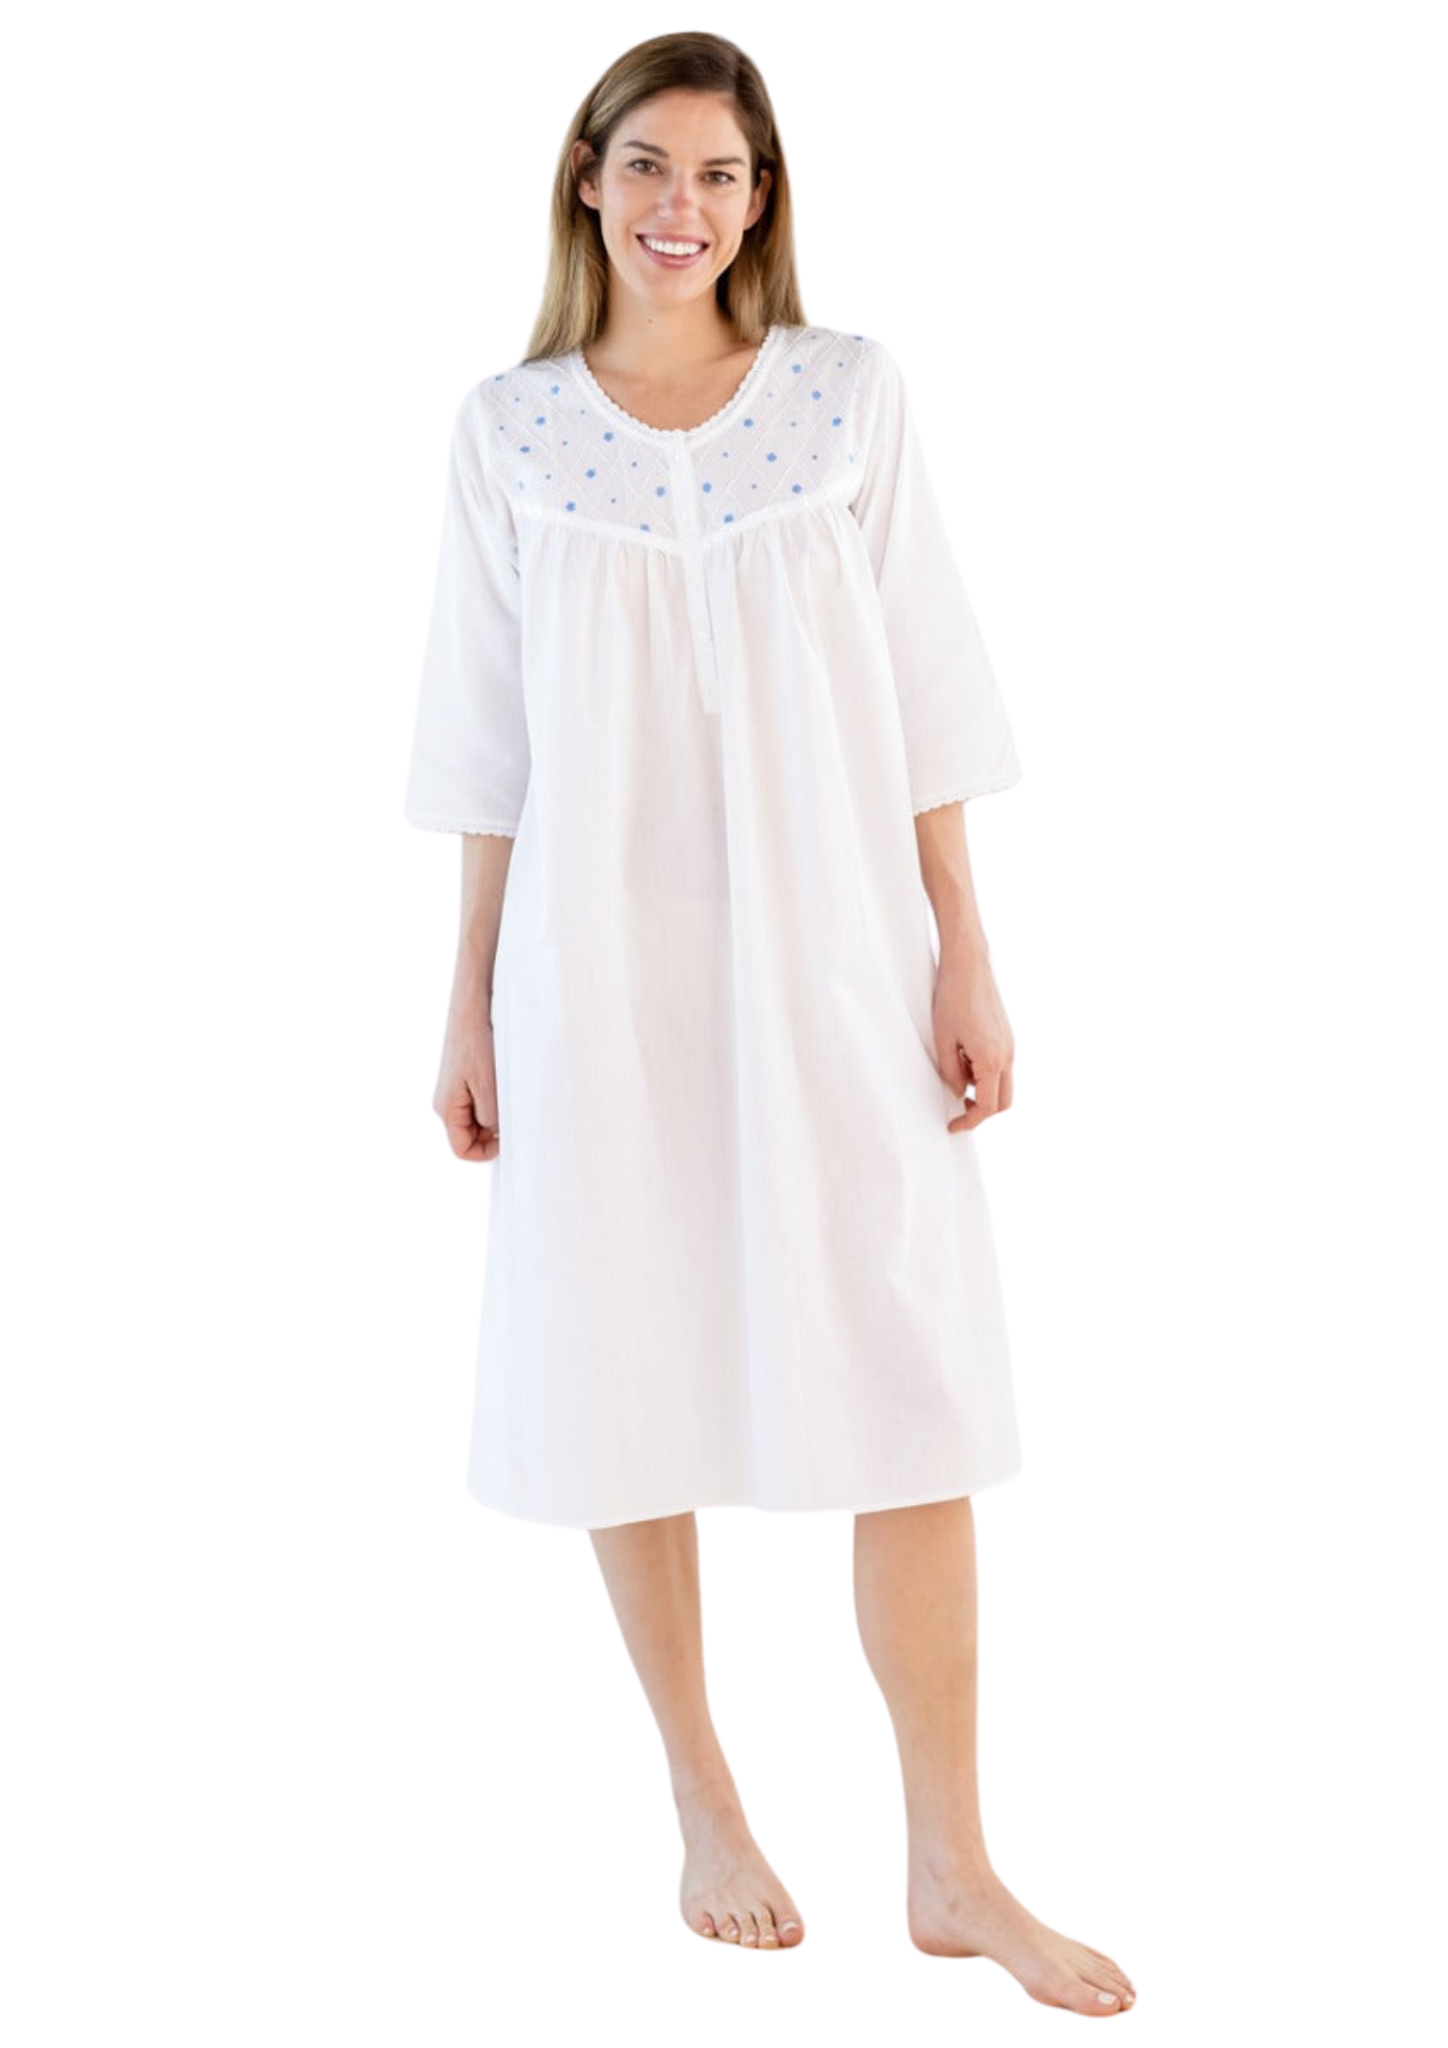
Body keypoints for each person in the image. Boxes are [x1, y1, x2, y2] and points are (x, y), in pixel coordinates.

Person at [405, 31, 1136, 2020]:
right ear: (586, 179)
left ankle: (952, 1860)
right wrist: (465, 996)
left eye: (721, 174)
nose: (684, 207)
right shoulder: (509, 430)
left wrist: (963, 946)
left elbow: (928, 682)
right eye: (649, 165)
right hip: (595, 968)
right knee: (617, 1354)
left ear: (761, 197)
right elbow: (484, 739)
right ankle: (704, 1799)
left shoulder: (844, 395)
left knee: (911, 1379)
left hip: (832, 951)